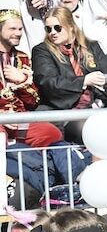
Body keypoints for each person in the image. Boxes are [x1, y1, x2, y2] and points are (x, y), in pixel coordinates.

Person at [31, 7, 107, 119]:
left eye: (57, 28)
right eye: (48, 29)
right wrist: (84, 81)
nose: (53, 33)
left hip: (94, 107)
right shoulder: (42, 51)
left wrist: (101, 97)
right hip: (60, 110)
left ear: (71, 26)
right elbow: (48, 82)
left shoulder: (90, 46)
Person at [0, 9, 62, 146]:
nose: (18, 33)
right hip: (1, 121)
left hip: (19, 121)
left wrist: (22, 81)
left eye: (20, 29)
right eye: (12, 29)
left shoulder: (22, 57)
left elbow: (34, 101)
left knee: (51, 133)